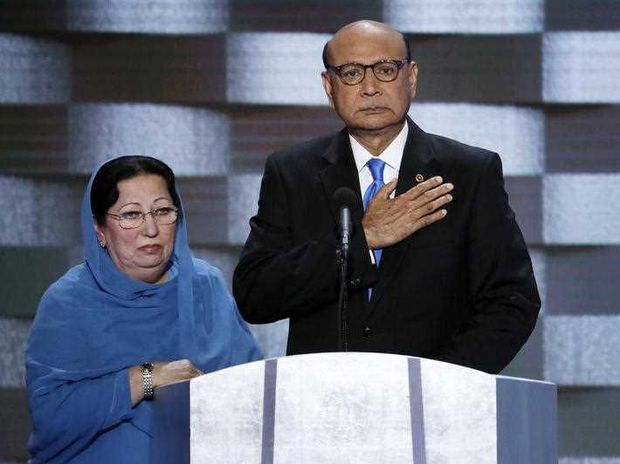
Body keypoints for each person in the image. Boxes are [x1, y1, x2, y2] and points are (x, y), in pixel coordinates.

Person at [233, 20, 540, 374]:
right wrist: (360, 242)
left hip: (437, 406)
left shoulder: (469, 172)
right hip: (323, 405)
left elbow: (512, 301)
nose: (370, 88)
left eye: (385, 70)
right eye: (351, 73)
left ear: (411, 78)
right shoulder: (292, 173)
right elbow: (256, 295)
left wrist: (440, 383)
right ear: (328, 86)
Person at [26, 155, 262, 463]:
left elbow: (252, 388)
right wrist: (145, 378)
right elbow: (51, 417)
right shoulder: (68, 301)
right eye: (131, 214)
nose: (150, 229)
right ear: (99, 229)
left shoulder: (205, 285)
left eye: (162, 211)